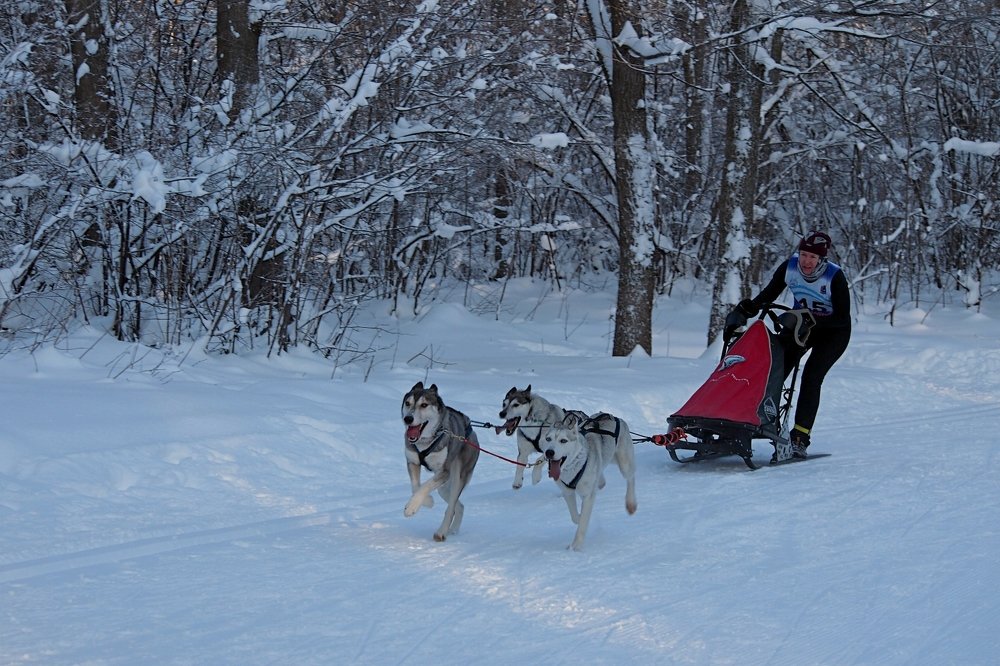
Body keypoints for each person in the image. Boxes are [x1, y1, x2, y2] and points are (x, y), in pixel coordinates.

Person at [725, 231, 851, 458]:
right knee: (772, 369)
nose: (806, 261)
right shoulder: (790, 268)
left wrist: (810, 320)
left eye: (812, 257)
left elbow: (842, 317)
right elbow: (769, 294)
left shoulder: (835, 276)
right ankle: (744, 422)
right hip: (801, 326)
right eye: (803, 254)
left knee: (812, 377)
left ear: (822, 259)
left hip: (833, 334)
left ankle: (800, 438)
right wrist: (745, 310)